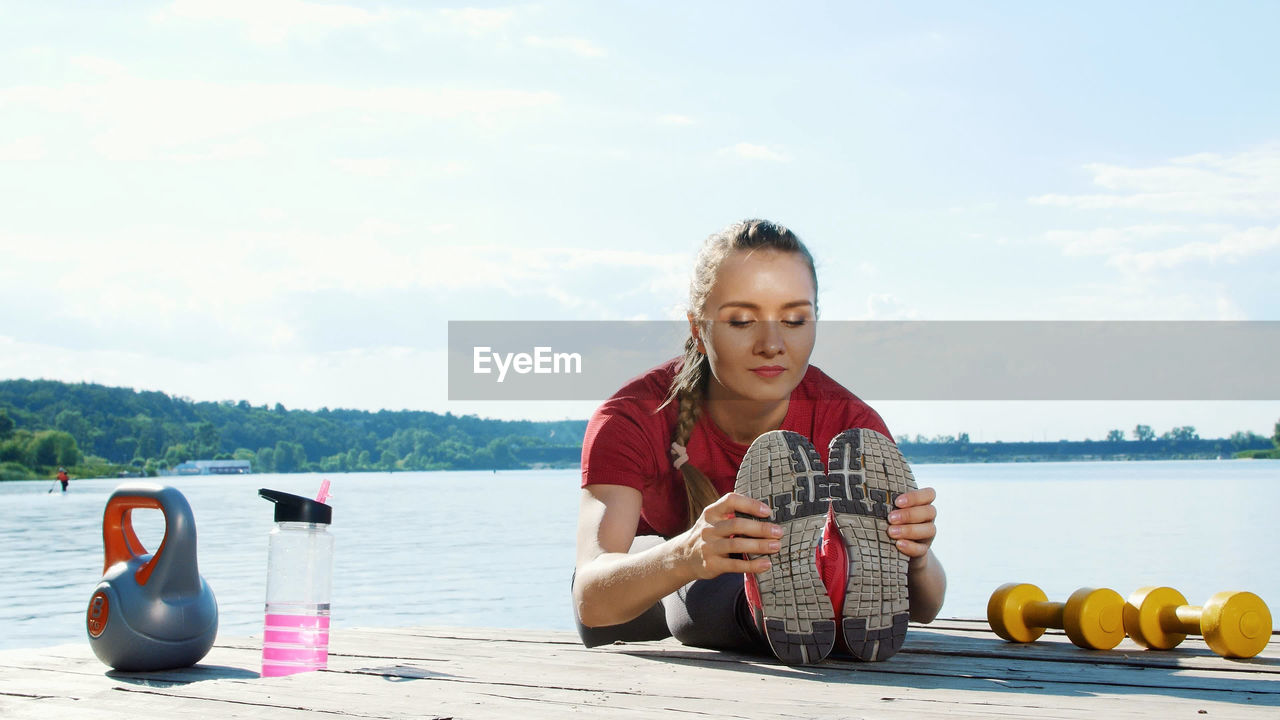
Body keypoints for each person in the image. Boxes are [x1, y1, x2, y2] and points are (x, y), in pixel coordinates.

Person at [573, 219, 946, 664]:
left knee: (790, 560)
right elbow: (591, 599)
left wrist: (915, 555)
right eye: (742, 320)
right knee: (697, 566)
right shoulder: (633, 416)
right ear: (698, 327)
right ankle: (773, 607)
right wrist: (688, 553)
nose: (772, 344)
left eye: (793, 319)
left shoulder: (851, 426)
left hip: (798, 580)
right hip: (639, 598)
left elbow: (926, 606)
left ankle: (826, 587)